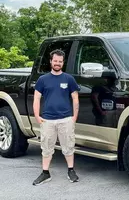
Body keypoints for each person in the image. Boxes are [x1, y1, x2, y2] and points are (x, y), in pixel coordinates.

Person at [32, 49, 80, 186]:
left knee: (68, 146)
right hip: (47, 120)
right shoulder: (43, 80)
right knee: (46, 148)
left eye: (60, 61)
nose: (57, 63)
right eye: (55, 61)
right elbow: (36, 98)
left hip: (66, 119)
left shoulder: (69, 79)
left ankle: (71, 170)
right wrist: (37, 115)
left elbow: (75, 98)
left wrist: (74, 117)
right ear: (51, 61)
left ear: (63, 63)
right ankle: (45, 173)